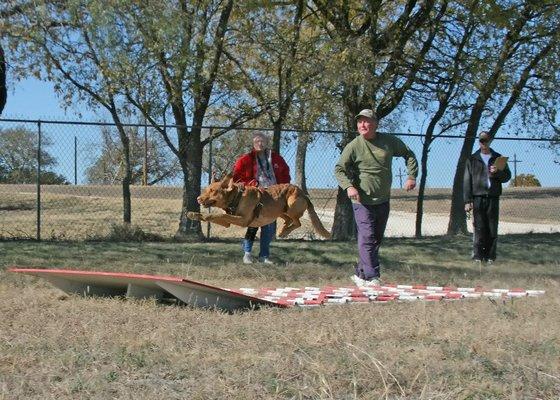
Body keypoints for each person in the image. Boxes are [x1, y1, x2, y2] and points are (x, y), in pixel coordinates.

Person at [334, 109, 418, 287]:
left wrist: (411, 176)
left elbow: (409, 154)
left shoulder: (388, 141)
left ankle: (361, 274)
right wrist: (349, 186)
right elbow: (339, 169)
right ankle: (373, 276)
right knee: (367, 237)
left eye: (366, 121)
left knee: (376, 239)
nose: (362, 125)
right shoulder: (354, 145)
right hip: (361, 201)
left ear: (375, 124)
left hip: (383, 199)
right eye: (359, 122)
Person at [232, 133, 291, 264]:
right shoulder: (246, 159)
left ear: (267, 142)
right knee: (253, 224)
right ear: (253, 143)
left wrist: (282, 189)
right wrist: (252, 185)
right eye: (257, 141)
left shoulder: (276, 158)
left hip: (273, 197)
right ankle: (247, 254)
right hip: (255, 196)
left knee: (269, 226)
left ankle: (264, 255)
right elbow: (237, 177)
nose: (260, 143)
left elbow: (285, 173)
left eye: (263, 141)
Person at [463, 131, 511, 265]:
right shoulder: (472, 159)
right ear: (479, 142)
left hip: (493, 197)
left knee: (492, 228)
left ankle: (491, 257)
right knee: (479, 228)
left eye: (486, 140)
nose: (483, 143)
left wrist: (498, 172)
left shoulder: (498, 158)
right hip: (478, 197)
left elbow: (507, 177)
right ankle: (478, 256)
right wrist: (468, 201)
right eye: (481, 141)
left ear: (490, 141)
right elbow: (467, 181)